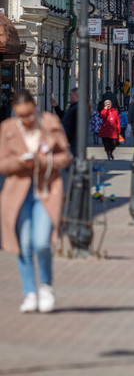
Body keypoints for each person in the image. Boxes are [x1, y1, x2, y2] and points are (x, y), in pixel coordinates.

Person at [0, 90, 71, 313]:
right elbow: (2, 163)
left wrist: (44, 159)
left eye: (28, 114)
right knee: (24, 243)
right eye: (20, 115)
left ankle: (46, 286)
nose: (25, 120)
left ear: (35, 108)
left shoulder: (49, 122)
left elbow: (65, 156)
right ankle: (30, 293)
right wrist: (20, 162)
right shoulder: (8, 128)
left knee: (42, 241)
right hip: (18, 191)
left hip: (46, 189)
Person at [61, 88, 79, 157]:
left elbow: (73, 126)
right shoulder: (73, 107)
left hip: (73, 142)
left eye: (71, 95)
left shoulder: (76, 108)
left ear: (75, 96)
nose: (70, 97)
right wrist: (56, 106)